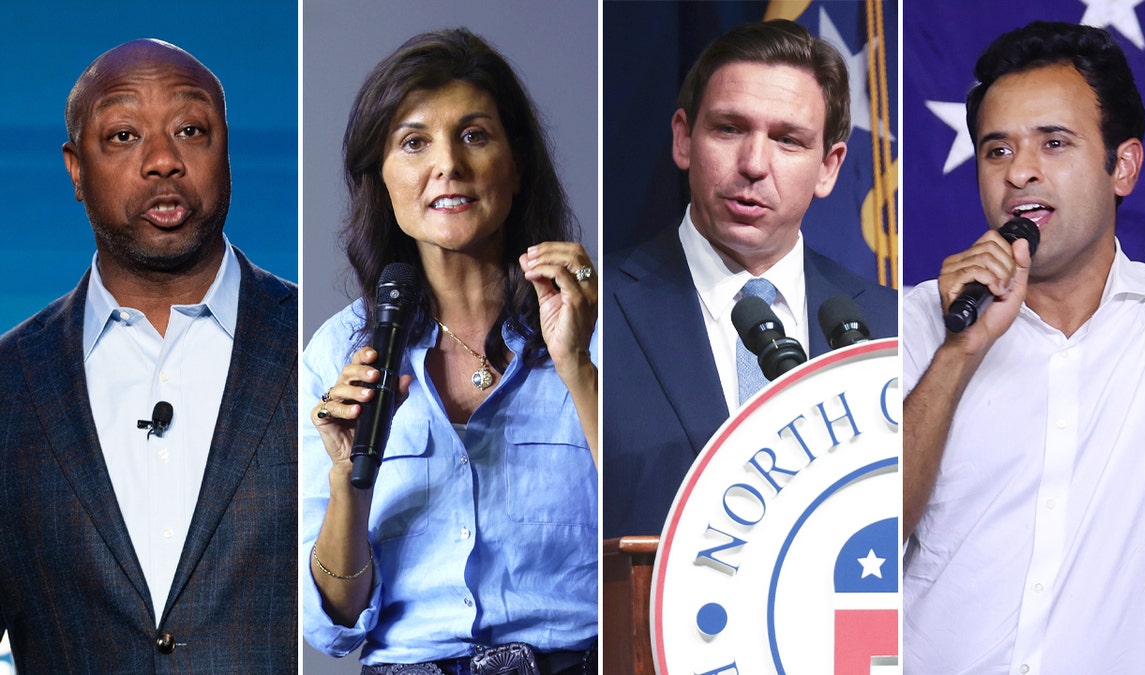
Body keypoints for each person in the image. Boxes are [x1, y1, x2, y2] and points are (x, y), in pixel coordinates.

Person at [903, 22, 1145, 673]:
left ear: (1122, 165)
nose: (1021, 172)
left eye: (1054, 143)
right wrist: (959, 350)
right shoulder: (913, 323)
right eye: (997, 150)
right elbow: (856, 533)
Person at [301, 29, 598, 674]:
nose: (448, 167)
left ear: (516, 165)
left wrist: (578, 368)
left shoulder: (595, 328)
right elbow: (338, 620)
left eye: (474, 135)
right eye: (414, 143)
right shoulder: (336, 352)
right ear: (380, 179)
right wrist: (351, 478)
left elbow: (660, 533)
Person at [0, 39, 297, 671]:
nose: (163, 160)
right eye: (124, 136)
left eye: (191, 129)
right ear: (75, 170)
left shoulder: (319, 342)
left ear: (226, 152)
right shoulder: (10, 382)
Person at [603, 19, 898, 538]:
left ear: (828, 167)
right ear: (683, 139)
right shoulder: (595, 310)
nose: (754, 164)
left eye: (787, 140)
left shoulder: (889, 325)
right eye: (729, 128)